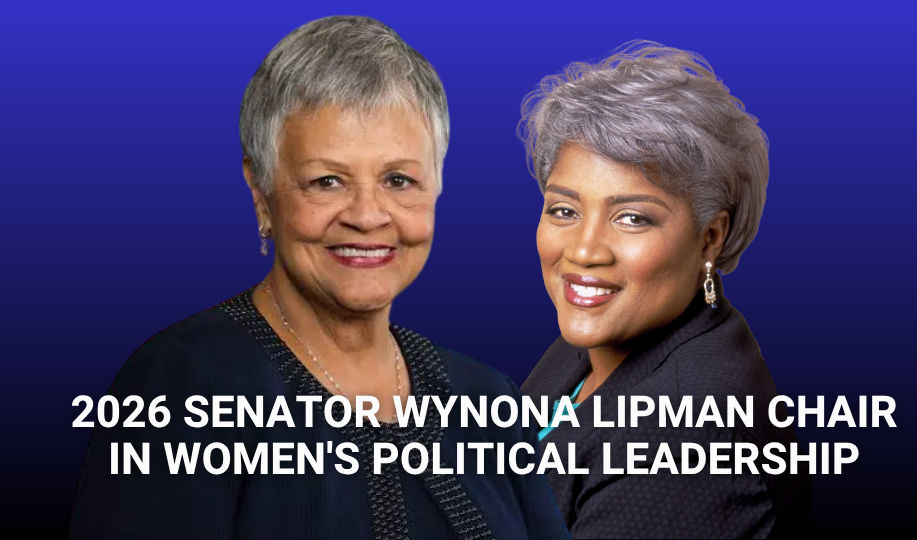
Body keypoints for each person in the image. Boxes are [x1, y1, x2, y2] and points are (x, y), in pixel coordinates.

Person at [70, 16, 568, 540]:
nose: (368, 216)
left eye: (399, 180)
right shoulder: (181, 385)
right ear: (261, 192)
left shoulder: (487, 400)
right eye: (327, 181)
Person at [518, 41, 812, 537]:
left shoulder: (681, 439)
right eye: (564, 210)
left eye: (632, 218)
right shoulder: (596, 345)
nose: (584, 251)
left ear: (710, 237)